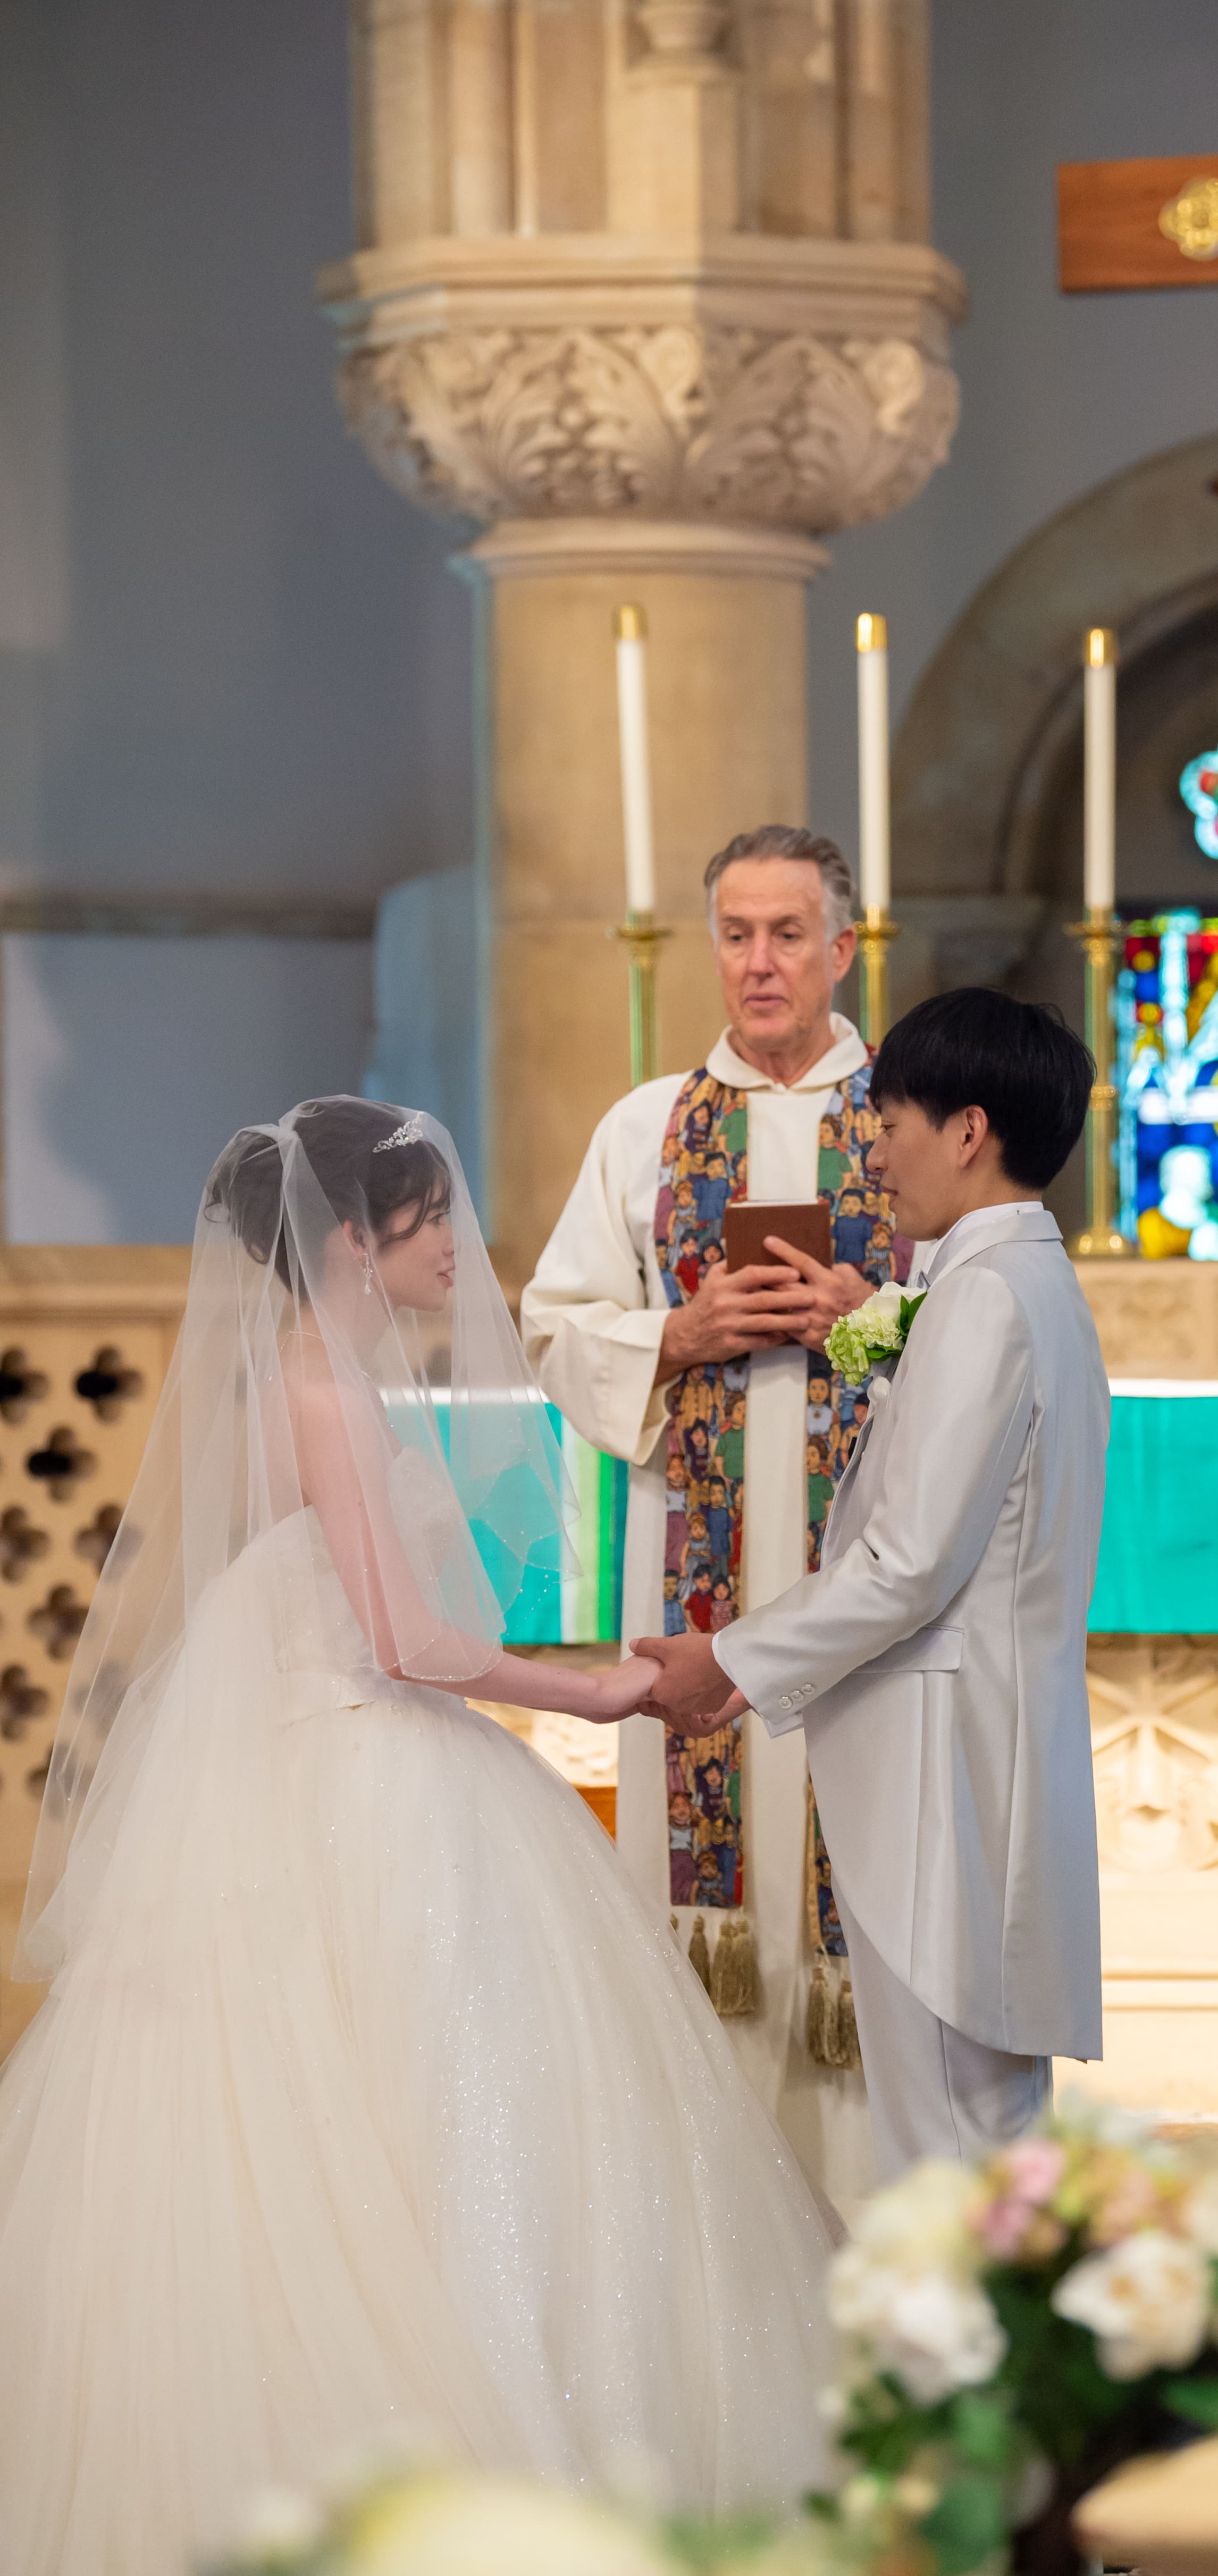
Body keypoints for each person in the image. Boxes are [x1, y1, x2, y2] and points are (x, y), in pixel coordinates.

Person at [0, 1097, 834, 2576]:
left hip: (320, 1756)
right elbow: (404, 1643)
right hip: (364, 1765)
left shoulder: (310, 1377)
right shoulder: (323, 1391)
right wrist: (601, 1690)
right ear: (348, 1238)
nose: (456, 1239)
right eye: (426, 1214)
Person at [636, 989, 1111, 2180]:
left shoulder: (986, 1298)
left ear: (968, 1132)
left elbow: (907, 1564)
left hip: (942, 1776)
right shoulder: (1018, 1282)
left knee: (948, 2155)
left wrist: (728, 1659)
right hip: (975, 1751)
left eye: (892, 1124)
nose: (878, 1154)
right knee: (979, 2150)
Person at [523, 825, 896, 2199]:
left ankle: (867, 2222)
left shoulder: (913, 1120)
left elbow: (990, 1327)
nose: (758, 962)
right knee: (711, 1913)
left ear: (842, 947)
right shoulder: (647, 1129)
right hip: (697, 1573)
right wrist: (677, 1334)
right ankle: (719, 2225)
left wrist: (864, 1315)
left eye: (786, 933)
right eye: (735, 935)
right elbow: (555, 1324)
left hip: (869, 1579)